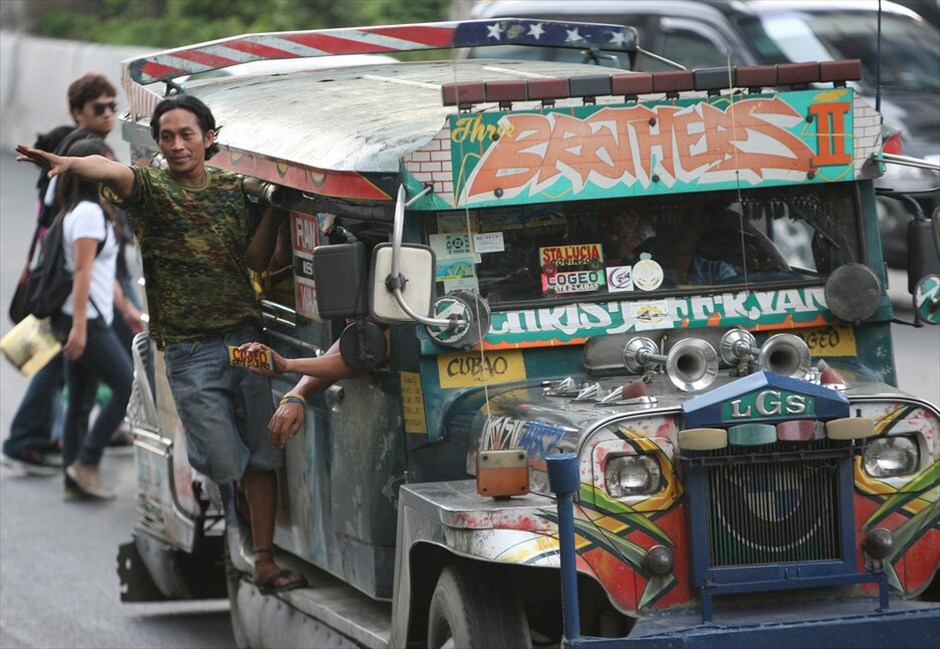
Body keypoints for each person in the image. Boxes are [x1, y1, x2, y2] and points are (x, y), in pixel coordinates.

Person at [17, 94, 302, 593]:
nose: (175, 145)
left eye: (186, 134)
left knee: (262, 457)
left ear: (209, 138)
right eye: (166, 137)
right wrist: (67, 162)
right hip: (190, 353)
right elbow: (108, 171)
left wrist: (276, 217)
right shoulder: (149, 187)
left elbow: (254, 261)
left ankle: (262, 559)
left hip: (245, 342)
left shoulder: (235, 191)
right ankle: (232, 501)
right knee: (224, 461)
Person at [2, 74, 127, 475]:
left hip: (92, 274)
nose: (109, 113)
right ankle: (47, 443)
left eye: (113, 106)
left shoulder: (90, 151)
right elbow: (75, 238)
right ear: (78, 112)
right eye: (99, 108)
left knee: (76, 361)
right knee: (92, 361)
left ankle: (67, 442)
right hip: (82, 276)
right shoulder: (76, 157)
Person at [51, 138, 137, 500]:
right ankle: (86, 461)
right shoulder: (88, 213)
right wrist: (82, 329)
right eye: (108, 164)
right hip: (85, 320)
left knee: (82, 401)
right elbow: (83, 273)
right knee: (125, 386)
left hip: (83, 316)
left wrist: (126, 307)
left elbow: (102, 271)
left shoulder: (82, 209)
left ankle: (74, 479)